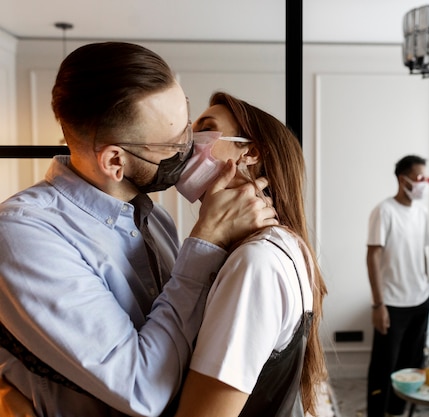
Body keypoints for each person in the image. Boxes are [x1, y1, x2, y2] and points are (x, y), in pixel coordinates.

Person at [0, 42, 276, 417]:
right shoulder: (24, 235)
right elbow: (143, 389)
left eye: (187, 124)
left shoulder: (154, 219)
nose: (190, 146)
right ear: (116, 160)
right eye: (175, 142)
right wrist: (205, 243)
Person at [173, 92, 328, 417]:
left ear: (249, 153)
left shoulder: (255, 262)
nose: (187, 139)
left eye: (205, 128)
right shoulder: (284, 245)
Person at [365, 155, 429, 417]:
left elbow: (423, 252)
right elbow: (373, 256)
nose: (423, 183)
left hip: (421, 300)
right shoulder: (384, 211)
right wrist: (378, 304)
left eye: (427, 178)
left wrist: (427, 282)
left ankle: (398, 412)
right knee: (384, 368)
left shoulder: (422, 213)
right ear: (402, 179)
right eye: (419, 178)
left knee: (411, 367)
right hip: (392, 304)